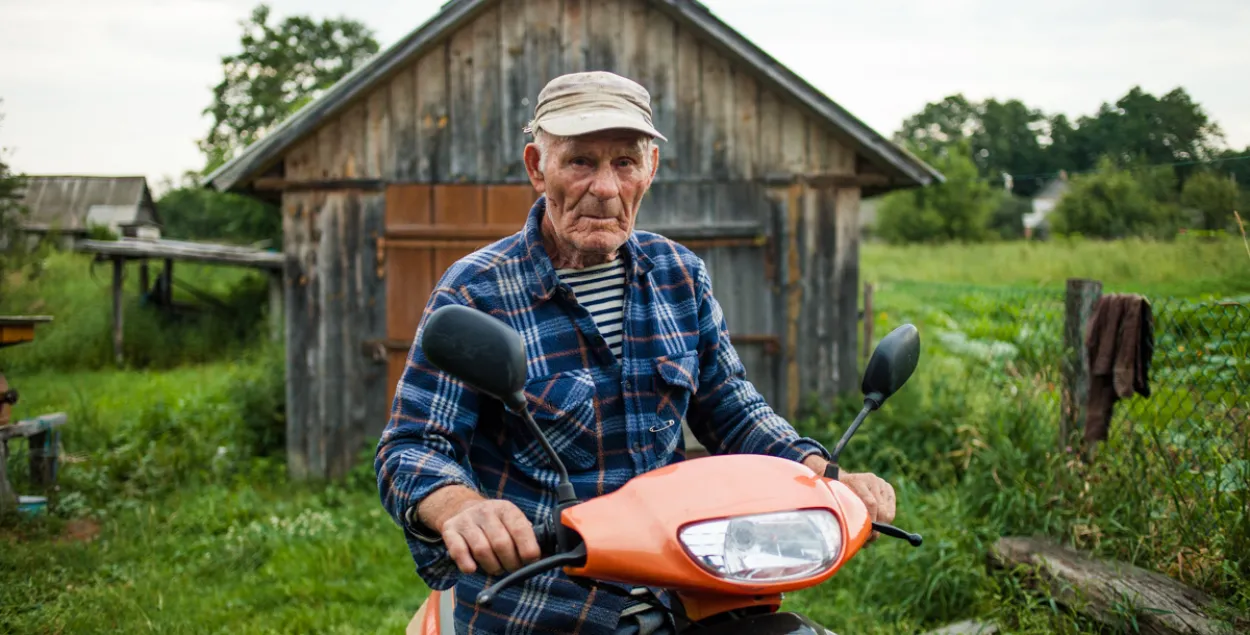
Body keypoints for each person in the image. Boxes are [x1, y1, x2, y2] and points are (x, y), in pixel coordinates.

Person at [374, 71, 897, 635]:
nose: (604, 186)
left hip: (689, 583)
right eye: (580, 161)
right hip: (540, 600)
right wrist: (461, 508)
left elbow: (732, 409)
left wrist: (821, 473)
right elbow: (413, 444)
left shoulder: (679, 275)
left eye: (625, 162)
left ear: (651, 171)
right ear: (536, 167)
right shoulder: (477, 290)